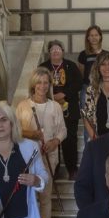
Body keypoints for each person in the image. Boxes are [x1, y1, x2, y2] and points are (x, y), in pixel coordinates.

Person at [16, 66, 67, 218]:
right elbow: (15, 131)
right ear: (33, 84)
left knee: (45, 198)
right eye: (39, 82)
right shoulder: (23, 106)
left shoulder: (54, 106)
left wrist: (54, 141)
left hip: (49, 156)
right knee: (29, 198)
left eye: (46, 82)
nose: (42, 86)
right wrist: (33, 134)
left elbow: (63, 130)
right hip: (26, 158)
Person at [39, 39, 83, 179]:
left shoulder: (71, 66)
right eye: (53, 49)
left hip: (69, 109)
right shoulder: (43, 67)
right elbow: (37, 84)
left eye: (58, 49)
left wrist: (64, 94)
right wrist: (51, 96)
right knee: (51, 138)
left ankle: (72, 169)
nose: (56, 51)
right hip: (49, 109)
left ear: (63, 52)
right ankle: (54, 169)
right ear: (49, 53)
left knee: (70, 138)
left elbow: (78, 83)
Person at [77, 25, 105, 151]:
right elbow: (82, 74)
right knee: (88, 122)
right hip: (87, 91)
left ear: (100, 37)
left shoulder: (106, 54)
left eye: (96, 35)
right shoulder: (83, 55)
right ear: (88, 38)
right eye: (91, 35)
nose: (94, 38)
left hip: (103, 90)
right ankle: (89, 152)